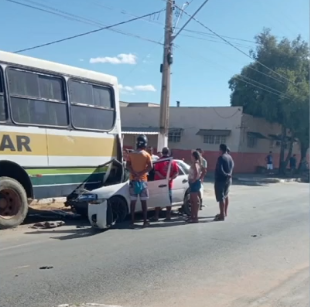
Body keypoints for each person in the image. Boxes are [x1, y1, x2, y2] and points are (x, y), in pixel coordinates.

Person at [126, 135, 153, 227]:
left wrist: (134, 173)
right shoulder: (146, 155)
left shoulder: (131, 154)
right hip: (142, 181)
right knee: (144, 202)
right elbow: (150, 167)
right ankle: (145, 221)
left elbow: (127, 165)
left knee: (133, 202)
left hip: (133, 180)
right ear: (145, 144)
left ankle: (132, 221)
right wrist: (141, 173)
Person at [153, 147, 179, 221]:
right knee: (168, 200)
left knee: (158, 199)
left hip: (159, 183)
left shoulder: (159, 161)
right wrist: (169, 178)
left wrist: (164, 178)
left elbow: (156, 171)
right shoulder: (172, 162)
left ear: (163, 152)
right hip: (168, 184)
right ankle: (168, 215)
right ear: (168, 152)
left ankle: (156, 216)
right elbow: (176, 172)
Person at [214, 144, 234, 221]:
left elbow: (220, 169)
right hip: (228, 179)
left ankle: (221, 215)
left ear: (221, 150)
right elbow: (232, 166)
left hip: (221, 179)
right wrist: (229, 174)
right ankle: (224, 212)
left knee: (221, 197)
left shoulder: (221, 158)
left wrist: (225, 174)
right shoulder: (230, 157)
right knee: (226, 195)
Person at [187, 151, 202, 223]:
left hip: (194, 183)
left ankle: (195, 217)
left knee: (194, 201)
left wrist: (193, 180)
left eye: (191, 156)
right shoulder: (196, 163)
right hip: (193, 183)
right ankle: (192, 216)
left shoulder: (196, 163)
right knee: (192, 201)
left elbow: (196, 172)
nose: (190, 157)